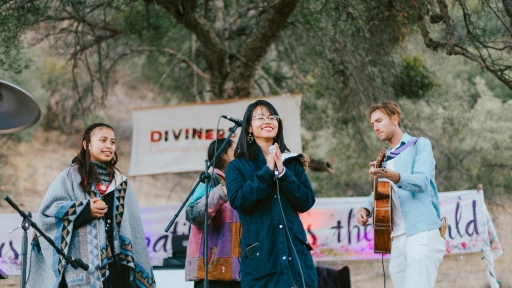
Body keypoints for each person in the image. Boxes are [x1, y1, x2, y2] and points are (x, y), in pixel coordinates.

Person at [27, 123, 155, 288]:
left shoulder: (121, 183)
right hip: (80, 271)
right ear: (87, 144)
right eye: (103, 140)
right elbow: (47, 215)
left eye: (112, 142)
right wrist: (84, 210)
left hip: (117, 271)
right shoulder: (69, 177)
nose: (109, 145)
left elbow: (133, 227)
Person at [225, 100, 318, 288]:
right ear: (249, 128)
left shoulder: (292, 162)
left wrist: (284, 174)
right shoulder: (237, 166)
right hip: (262, 258)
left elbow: (306, 201)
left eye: (272, 117)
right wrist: (267, 171)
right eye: (260, 117)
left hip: (295, 255)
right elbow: (238, 200)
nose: (267, 120)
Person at [356, 101, 445, 288]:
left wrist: (388, 174)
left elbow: (422, 182)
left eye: (379, 121)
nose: (375, 127)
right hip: (396, 237)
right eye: (372, 124)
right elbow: (382, 190)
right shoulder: (385, 158)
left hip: (421, 233)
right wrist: (366, 207)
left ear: (395, 118)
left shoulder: (420, 145)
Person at [184, 138, 241, 288]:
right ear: (223, 155)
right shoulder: (209, 179)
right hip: (212, 270)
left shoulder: (235, 182)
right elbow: (192, 214)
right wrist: (220, 193)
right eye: (235, 150)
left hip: (235, 271)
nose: (240, 153)